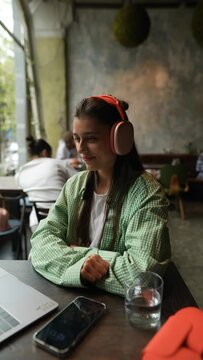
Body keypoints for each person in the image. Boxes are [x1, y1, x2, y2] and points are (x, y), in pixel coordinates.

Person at [30, 94, 171, 297]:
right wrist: (84, 267)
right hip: (73, 302)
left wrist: (75, 254)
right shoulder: (74, 185)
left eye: (91, 139)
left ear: (120, 139)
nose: (80, 148)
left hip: (124, 315)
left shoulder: (148, 194)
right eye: (77, 139)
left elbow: (142, 276)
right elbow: (41, 242)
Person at [15, 136, 76, 232]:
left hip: (38, 224)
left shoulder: (22, 171)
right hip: (66, 221)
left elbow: (21, 187)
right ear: (45, 152)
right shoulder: (59, 163)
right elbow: (78, 180)